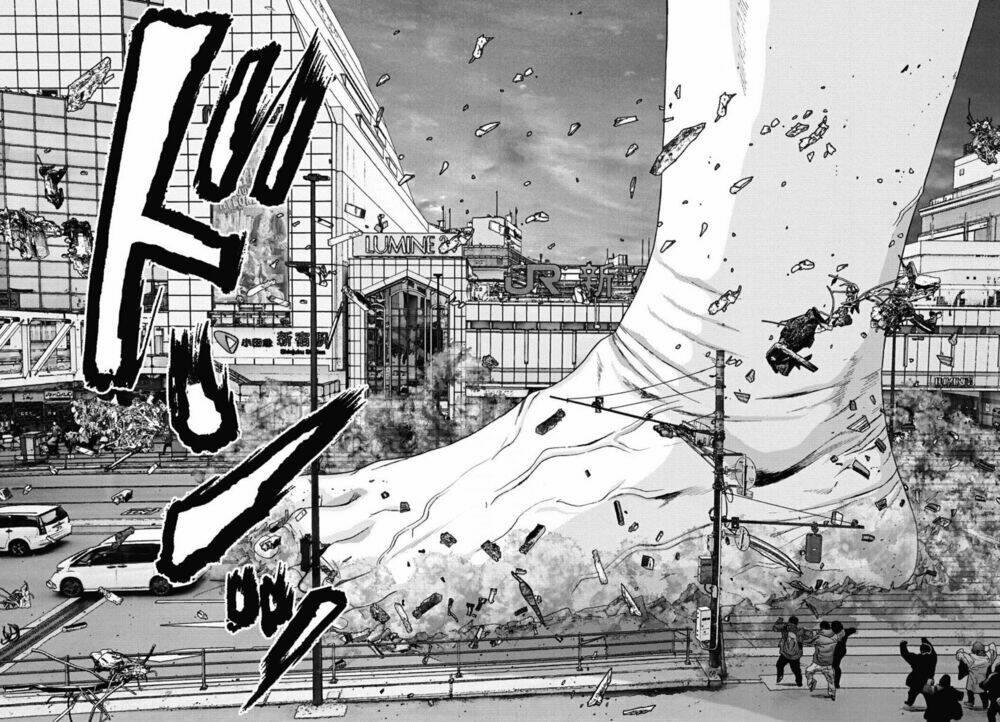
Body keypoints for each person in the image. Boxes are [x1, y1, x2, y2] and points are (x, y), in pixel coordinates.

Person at [804, 620, 855, 701]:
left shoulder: (822, 636)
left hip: (825, 657)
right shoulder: (839, 635)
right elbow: (851, 630)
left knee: (810, 670)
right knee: (834, 671)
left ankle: (814, 682)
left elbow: (809, 642)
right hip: (836, 655)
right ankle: (834, 689)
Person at [956, 641, 997, 710]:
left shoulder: (971, 659)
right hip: (982, 681)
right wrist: (991, 646)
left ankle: (971, 702)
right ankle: (985, 705)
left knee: (970, 692)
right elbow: (993, 651)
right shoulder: (988, 659)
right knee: (983, 694)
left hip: (972, 681)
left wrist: (960, 651)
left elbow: (961, 656)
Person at [902, 637, 938, 710]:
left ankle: (909, 703)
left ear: (921, 651)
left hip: (916, 681)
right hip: (926, 681)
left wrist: (903, 645)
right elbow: (933, 650)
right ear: (929, 650)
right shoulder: (933, 658)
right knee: (927, 694)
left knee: (912, 693)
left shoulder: (916, 658)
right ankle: (931, 705)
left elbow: (905, 654)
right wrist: (925, 640)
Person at [772, 615, 807, 687]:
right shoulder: (800, 630)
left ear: (789, 621)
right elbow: (807, 638)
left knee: (779, 665)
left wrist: (778, 622)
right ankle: (799, 682)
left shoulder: (785, 627)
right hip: (795, 655)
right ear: (797, 623)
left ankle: (780, 675)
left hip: (785, 653)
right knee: (796, 669)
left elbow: (775, 628)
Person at [831, 620, 857, 689]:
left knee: (835, 666)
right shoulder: (844, 631)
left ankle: (836, 683)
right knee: (836, 666)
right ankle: (836, 683)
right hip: (840, 651)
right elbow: (853, 630)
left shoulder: (834, 633)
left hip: (838, 651)